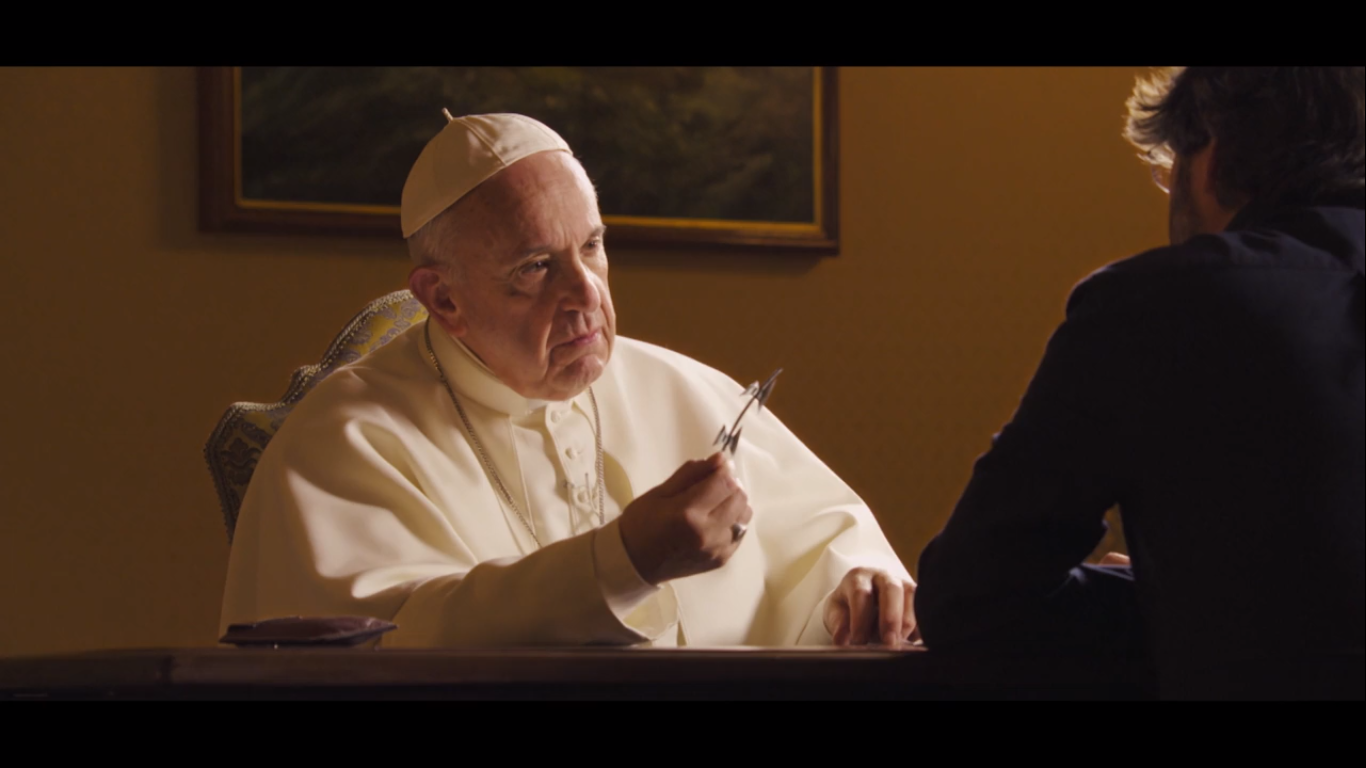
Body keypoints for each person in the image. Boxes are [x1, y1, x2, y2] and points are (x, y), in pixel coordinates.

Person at [219, 111, 917, 649]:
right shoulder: (344, 441)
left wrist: (857, 590)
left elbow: (830, 545)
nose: (586, 294)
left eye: (592, 245)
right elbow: (392, 646)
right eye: (535, 267)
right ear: (444, 300)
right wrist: (622, 561)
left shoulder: (686, 389)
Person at [915, 67, 1364, 700]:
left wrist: (1171, 598)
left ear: (1209, 155)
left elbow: (971, 600)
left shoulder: (1161, 303)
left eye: (1168, 166)